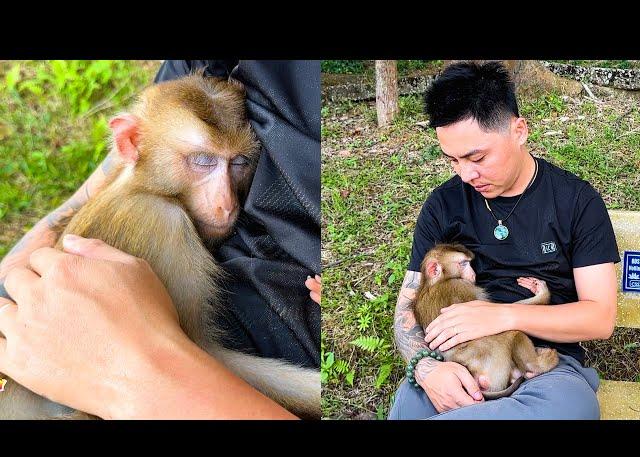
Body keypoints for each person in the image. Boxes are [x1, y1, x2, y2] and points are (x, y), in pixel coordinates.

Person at [0, 60, 321, 419]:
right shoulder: (160, 217)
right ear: (130, 142)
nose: (225, 201)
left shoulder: (147, 180)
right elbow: (192, 364)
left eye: (238, 164)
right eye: (201, 161)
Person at [388, 61, 619, 420]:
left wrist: (500, 316)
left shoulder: (576, 201)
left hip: (543, 367)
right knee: (410, 405)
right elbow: (408, 307)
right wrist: (425, 368)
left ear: (519, 131)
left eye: (476, 157)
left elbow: (599, 318)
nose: (466, 174)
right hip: (458, 362)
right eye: (452, 160)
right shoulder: (443, 205)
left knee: (569, 408)